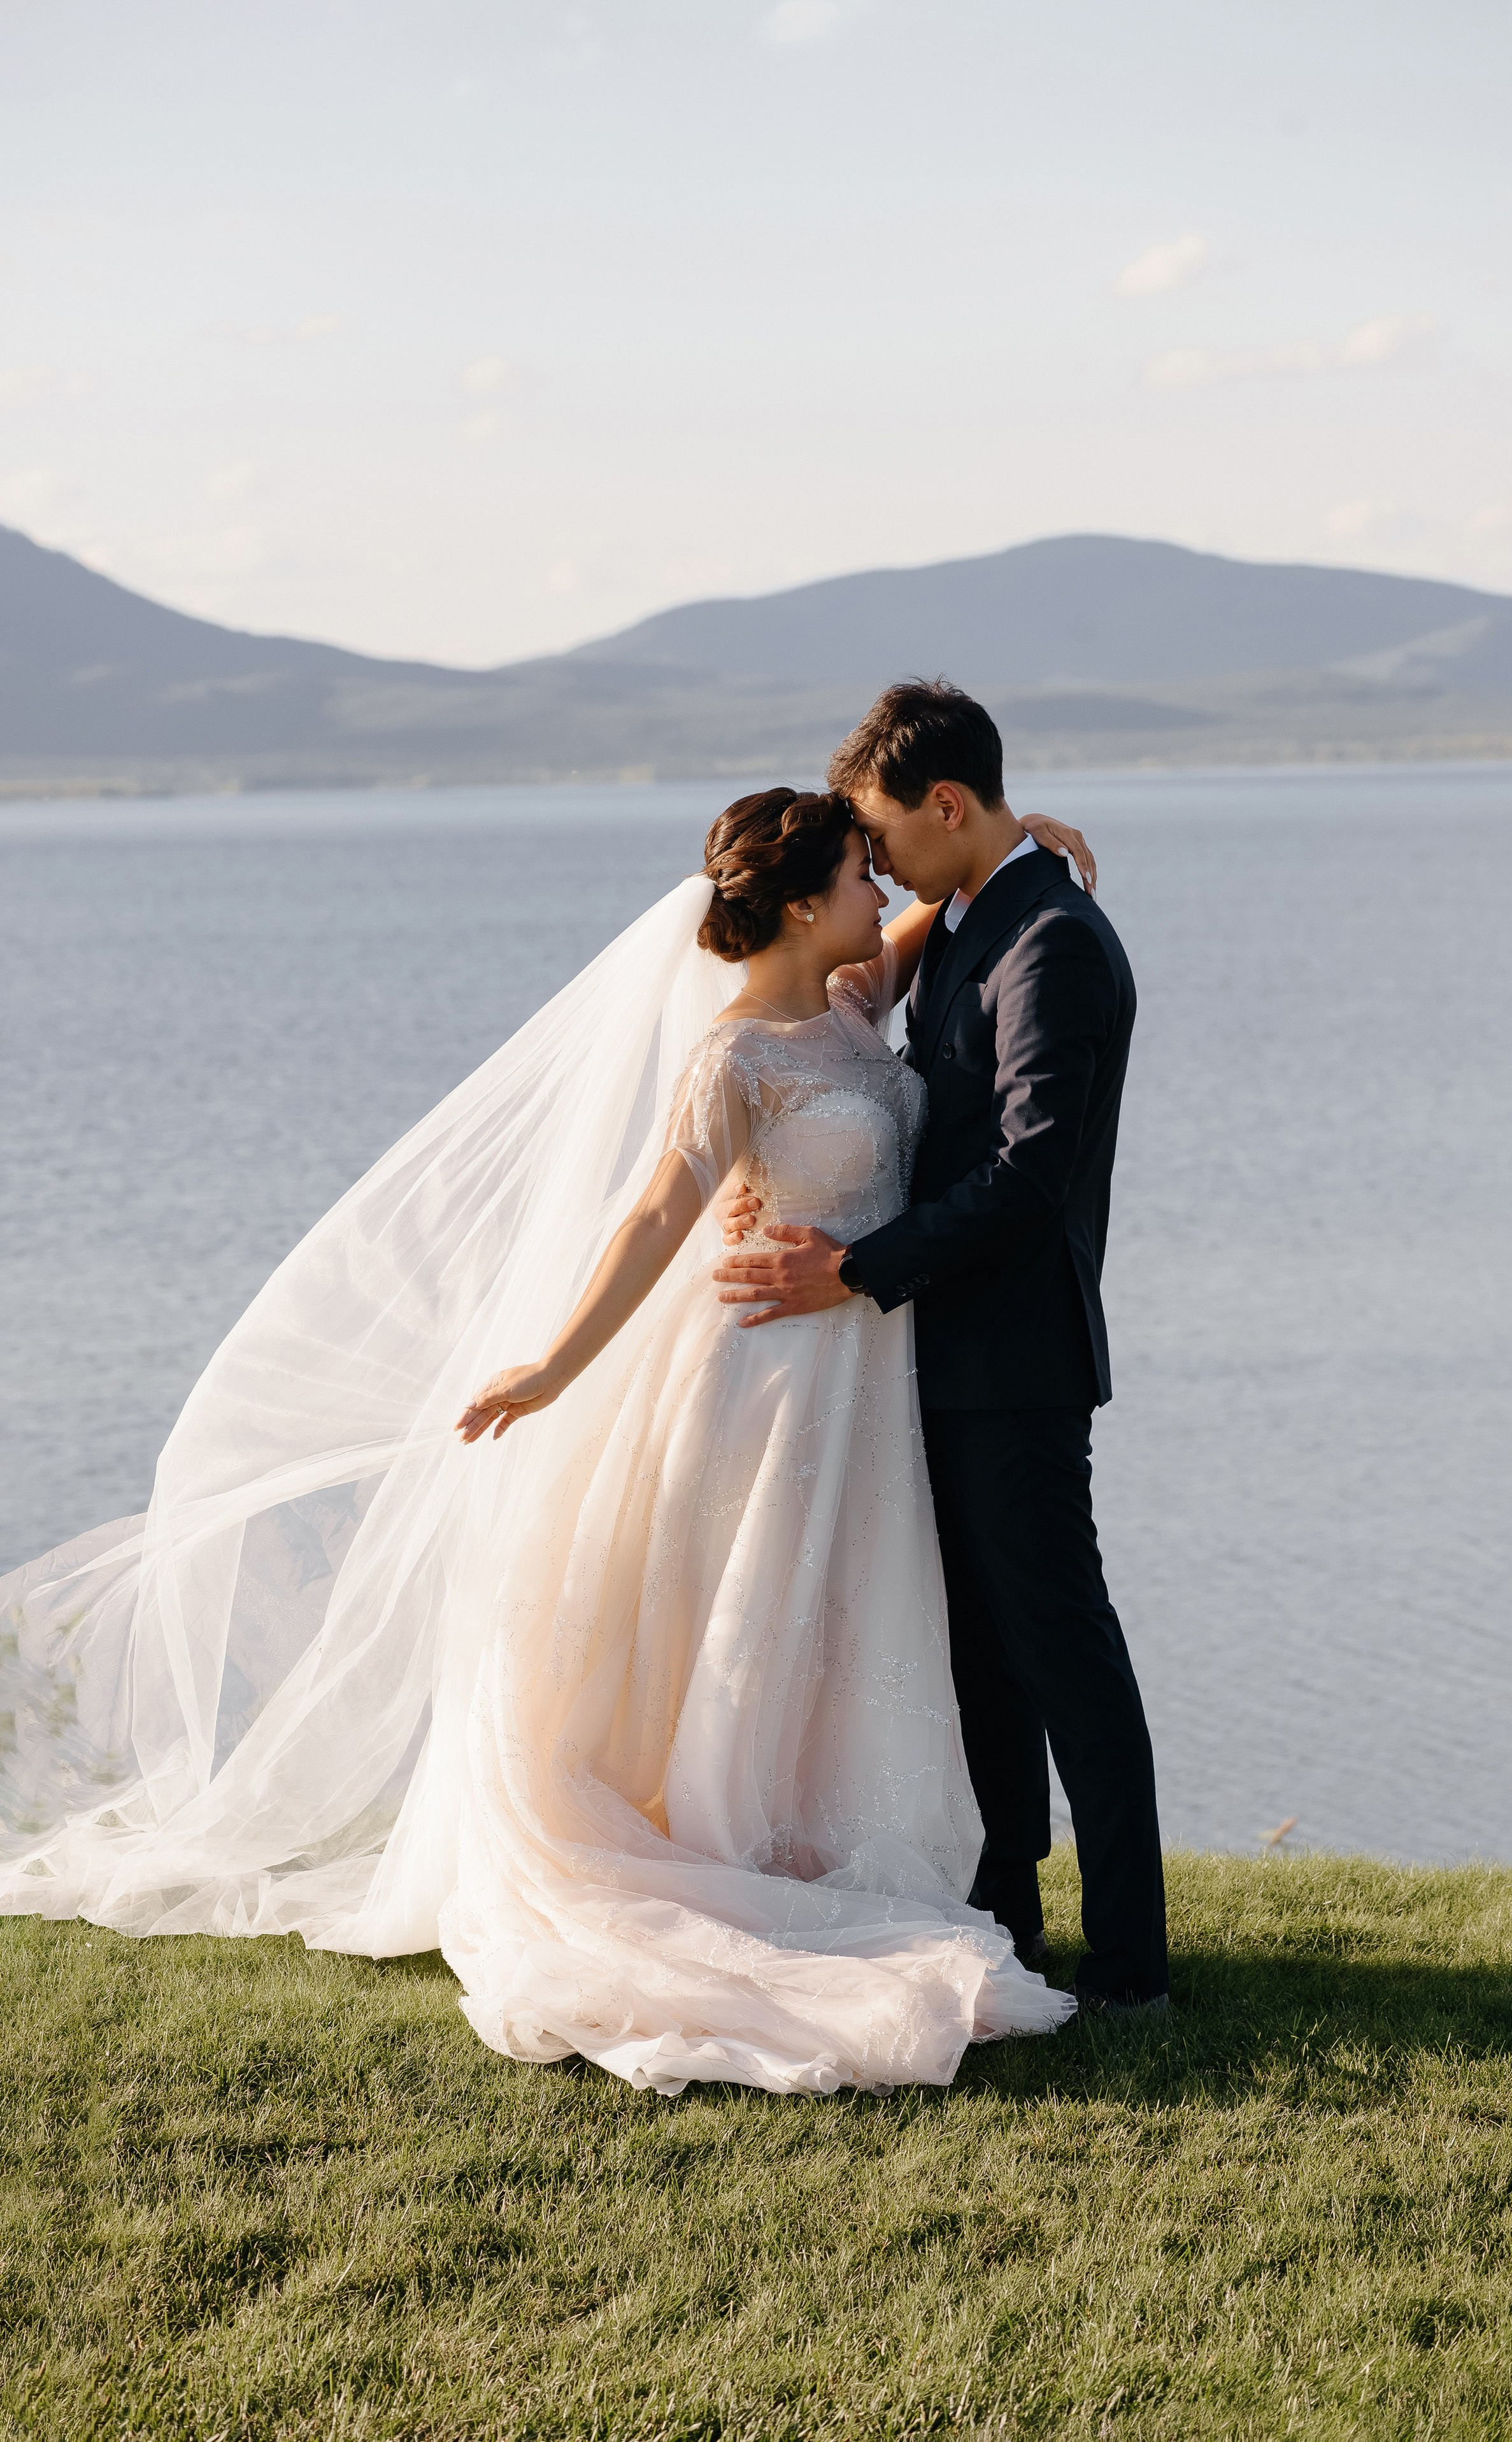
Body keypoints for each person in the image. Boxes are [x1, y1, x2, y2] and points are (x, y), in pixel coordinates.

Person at [0, 782, 1095, 2096]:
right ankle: (729, 1847)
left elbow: (937, 900)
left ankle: (813, 1839)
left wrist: (1017, 841)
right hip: (763, 1377)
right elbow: (654, 1220)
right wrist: (553, 1368)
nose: (882, 893)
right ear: (805, 908)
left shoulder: (851, 997)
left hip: (858, 1379)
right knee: (752, 1615)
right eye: (860, 877)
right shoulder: (734, 1057)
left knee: (838, 1615)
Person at [714, 683, 1169, 2017]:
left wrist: (854, 1268)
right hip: (942, 1355)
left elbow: (1031, 1172)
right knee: (983, 1662)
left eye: (880, 831)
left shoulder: (1053, 945)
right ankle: (1006, 1917)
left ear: (948, 805)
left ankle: (1131, 1965)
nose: (872, 856)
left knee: (1063, 1655)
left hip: (1014, 1366)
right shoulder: (981, 914)